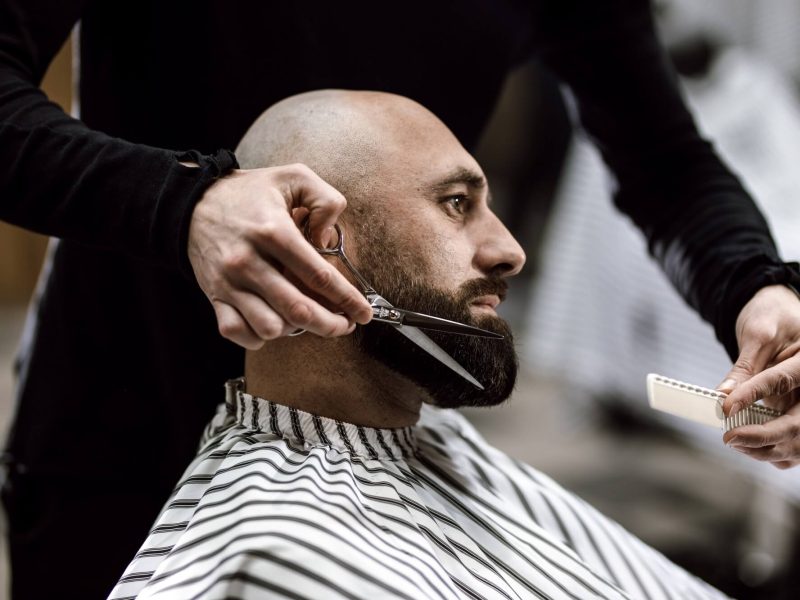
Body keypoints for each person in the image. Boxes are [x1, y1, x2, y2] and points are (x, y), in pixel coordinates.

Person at [1, 2, 799, 598]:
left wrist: (758, 287)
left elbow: (666, 161)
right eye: (458, 204)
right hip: (123, 413)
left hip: (393, 407)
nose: (512, 252)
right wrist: (183, 204)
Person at [109, 90, 728, 600]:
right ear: (313, 240)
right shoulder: (280, 557)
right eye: (457, 204)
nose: (511, 251)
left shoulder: (432, 438)